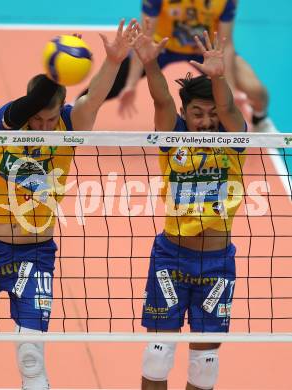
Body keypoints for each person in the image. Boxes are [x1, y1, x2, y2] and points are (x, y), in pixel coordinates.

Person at [0, 19, 136, 390]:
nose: (44, 126)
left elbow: (93, 99)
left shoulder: (70, 124)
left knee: (31, 355)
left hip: (35, 255)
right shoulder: (6, 122)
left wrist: (113, 62)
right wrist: (56, 76)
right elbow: (31, 105)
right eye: (38, 118)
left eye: (51, 119)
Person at [130, 21, 246, 390]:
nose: (207, 121)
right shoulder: (171, 136)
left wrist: (219, 78)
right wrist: (150, 65)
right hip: (172, 257)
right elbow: (162, 99)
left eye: (212, 114)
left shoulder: (233, 141)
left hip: (216, 262)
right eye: (198, 113)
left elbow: (226, 107)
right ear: (186, 112)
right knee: (158, 355)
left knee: (205, 363)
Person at [81, 0, 276, 133]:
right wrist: (131, 84)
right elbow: (145, 37)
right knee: (115, 80)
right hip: (163, 46)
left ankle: (259, 119)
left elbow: (228, 44)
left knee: (258, 92)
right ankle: (73, 109)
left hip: (206, 49)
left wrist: (231, 89)